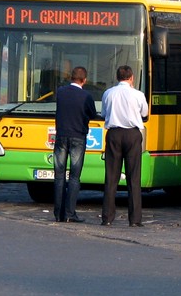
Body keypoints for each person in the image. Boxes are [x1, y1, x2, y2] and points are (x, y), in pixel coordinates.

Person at [101, 65, 149, 227]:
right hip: (132, 134)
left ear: (117, 77)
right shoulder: (138, 94)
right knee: (133, 177)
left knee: (111, 177)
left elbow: (104, 114)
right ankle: (135, 219)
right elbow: (144, 113)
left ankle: (107, 217)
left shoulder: (108, 93)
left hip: (114, 133)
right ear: (131, 78)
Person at [53, 66, 98, 223]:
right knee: (74, 177)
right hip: (78, 137)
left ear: (70, 77)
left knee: (59, 176)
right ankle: (70, 214)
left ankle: (58, 214)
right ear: (84, 80)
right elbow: (93, 114)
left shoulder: (61, 92)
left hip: (61, 137)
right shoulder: (86, 96)